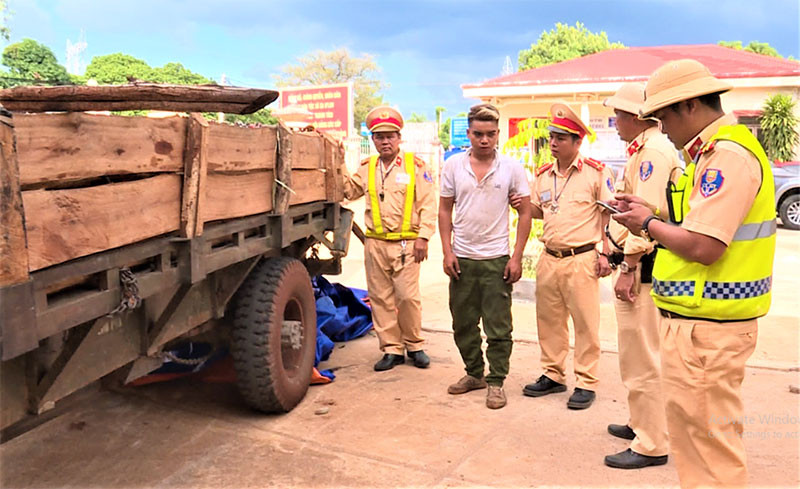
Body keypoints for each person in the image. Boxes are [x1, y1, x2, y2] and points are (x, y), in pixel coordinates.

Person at [612, 59, 776, 488]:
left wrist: (646, 225)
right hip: (700, 324)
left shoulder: (727, 156)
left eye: (663, 116)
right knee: (694, 443)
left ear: (688, 106)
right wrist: (655, 213)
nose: (661, 128)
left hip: (709, 331)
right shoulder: (711, 154)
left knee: (710, 450)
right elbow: (696, 225)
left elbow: (704, 246)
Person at [512, 102, 615, 410]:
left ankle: (586, 381)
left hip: (582, 258)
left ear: (577, 142)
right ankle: (553, 375)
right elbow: (539, 211)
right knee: (549, 321)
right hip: (549, 258)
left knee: (585, 323)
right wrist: (518, 202)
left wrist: (606, 252)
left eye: (560, 138)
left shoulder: (596, 173)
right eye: (552, 137)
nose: (553, 143)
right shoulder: (543, 176)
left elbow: (608, 214)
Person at [601, 82, 680, 470]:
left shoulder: (652, 154)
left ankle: (651, 443)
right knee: (637, 355)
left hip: (644, 269)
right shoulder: (646, 150)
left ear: (636, 117)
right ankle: (641, 423)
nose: (614, 121)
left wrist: (628, 267)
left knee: (642, 358)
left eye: (617, 114)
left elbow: (644, 219)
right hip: (640, 264)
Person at [439, 103, 532, 409]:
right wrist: (447, 250)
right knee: (462, 324)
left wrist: (516, 256)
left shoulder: (511, 168)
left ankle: (496, 382)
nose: (484, 140)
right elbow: (444, 209)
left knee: (498, 327)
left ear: (498, 135)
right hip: (462, 260)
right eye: (478, 134)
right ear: (468, 134)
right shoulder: (453, 166)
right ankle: (474, 373)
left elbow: (526, 213)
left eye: (491, 134)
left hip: (496, 260)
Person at [342, 106, 437, 371]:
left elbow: (428, 203)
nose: (385, 141)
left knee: (407, 297)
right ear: (372, 140)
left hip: (407, 243)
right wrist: (338, 163)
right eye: (379, 137)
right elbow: (349, 191)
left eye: (390, 136)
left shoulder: (415, 166)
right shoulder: (366, 167)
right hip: (375, 242)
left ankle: (414, 345)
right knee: (380, 297)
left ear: (399, 138)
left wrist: (424, 237)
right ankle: (391, 349)